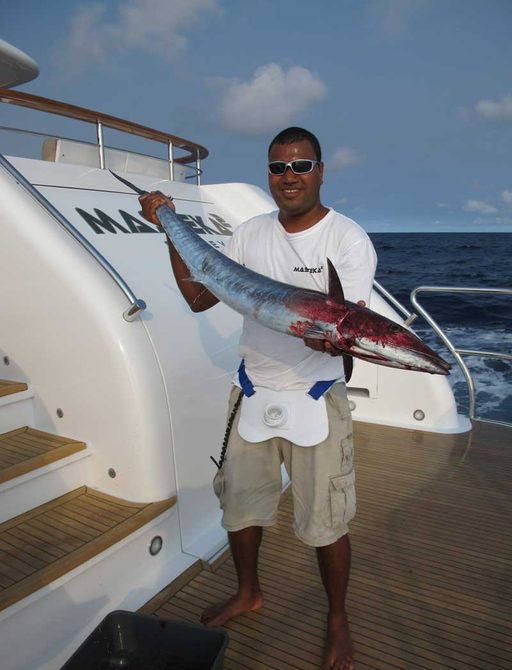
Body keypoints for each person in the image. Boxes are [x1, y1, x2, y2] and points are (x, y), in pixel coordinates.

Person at [139, 127, 377, 670]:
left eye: (300, 166)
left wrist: (328, 337)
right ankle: (249, 592)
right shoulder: (248, 234)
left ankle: (337, 619)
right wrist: (167, 228)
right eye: (278, 168)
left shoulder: (347, 240)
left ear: (320, 170)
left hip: (317, 397)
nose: (288, 177)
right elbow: (199, 297)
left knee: (326, 520)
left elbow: (348, 326)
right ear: (268, 174)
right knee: (240, 507)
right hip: (253, 388)